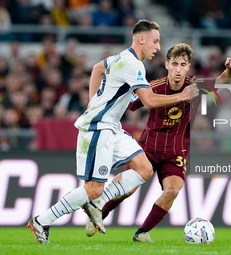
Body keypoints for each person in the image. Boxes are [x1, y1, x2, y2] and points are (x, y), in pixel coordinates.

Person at [27, 20, 199, 244]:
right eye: (155, 41)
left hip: (112, 127)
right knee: (93, 189)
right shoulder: (134, 65)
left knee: (144, 168)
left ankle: (97, 206)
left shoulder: (122, 57)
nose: (158, 47)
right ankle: (42, 220)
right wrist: (182, 96)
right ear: (141, 40)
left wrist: (92, 100)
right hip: (98, 129)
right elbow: (148, 100)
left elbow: (98, 68)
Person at [85, 43, 231, 242]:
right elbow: (129, 103)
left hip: (176, 151)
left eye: (183, 64)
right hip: (148, 148)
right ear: (167, 64)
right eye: (174, 63)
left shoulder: (195, 86)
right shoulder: (153, 87)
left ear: (188, 67)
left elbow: (223, 80)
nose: (178, 69)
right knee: (127, 190)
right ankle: (99, 213)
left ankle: (142, 233)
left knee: (173, 190)